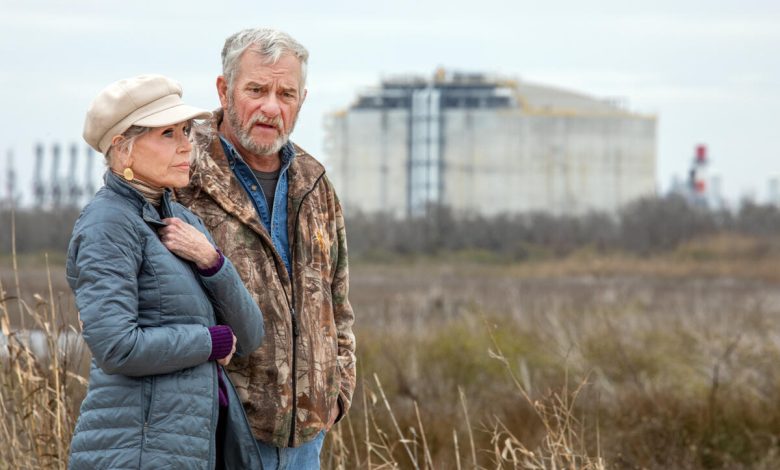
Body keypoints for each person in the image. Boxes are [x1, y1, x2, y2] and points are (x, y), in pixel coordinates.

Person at [175, 28, 356, 469]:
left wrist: (338, 391)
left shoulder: (315, 184)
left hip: (305, 439)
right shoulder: (181, 175)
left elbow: (338, 302)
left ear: (302, 100)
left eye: (286, 93)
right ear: (224, 88)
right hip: (215, 435)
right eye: (256, 89)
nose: (271, 107)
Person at [67, 74, 265, 469]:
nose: (186, 146)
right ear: (123, 150)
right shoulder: (108, 224)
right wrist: (211, 342)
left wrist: (213, 261)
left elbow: (249, 336)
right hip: (136, 451)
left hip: (189, 447)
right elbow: (116, 348)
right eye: (168, 134)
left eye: (187, 132)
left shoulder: (181, 220)